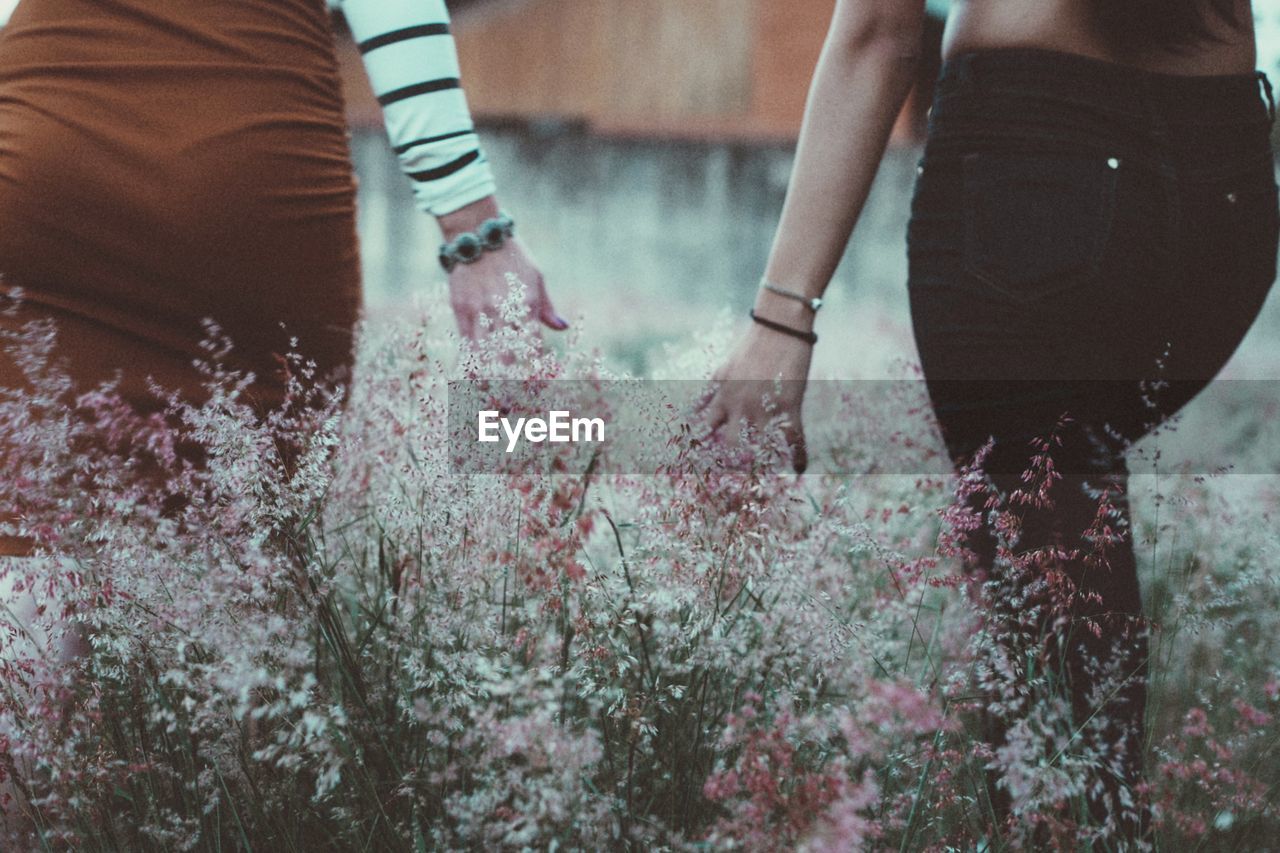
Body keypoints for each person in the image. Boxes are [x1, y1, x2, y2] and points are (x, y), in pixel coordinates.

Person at [704, 0, 1276, 839]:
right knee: (1061, 566)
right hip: (1223, 188)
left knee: (1051, 651)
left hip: (1040, 173)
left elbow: (878, 32)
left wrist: (780, 321)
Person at [0, 0, 567, 557]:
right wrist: (475, 232)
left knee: (33, 553)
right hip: (246, 156)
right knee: (241, 563)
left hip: (39, 148)